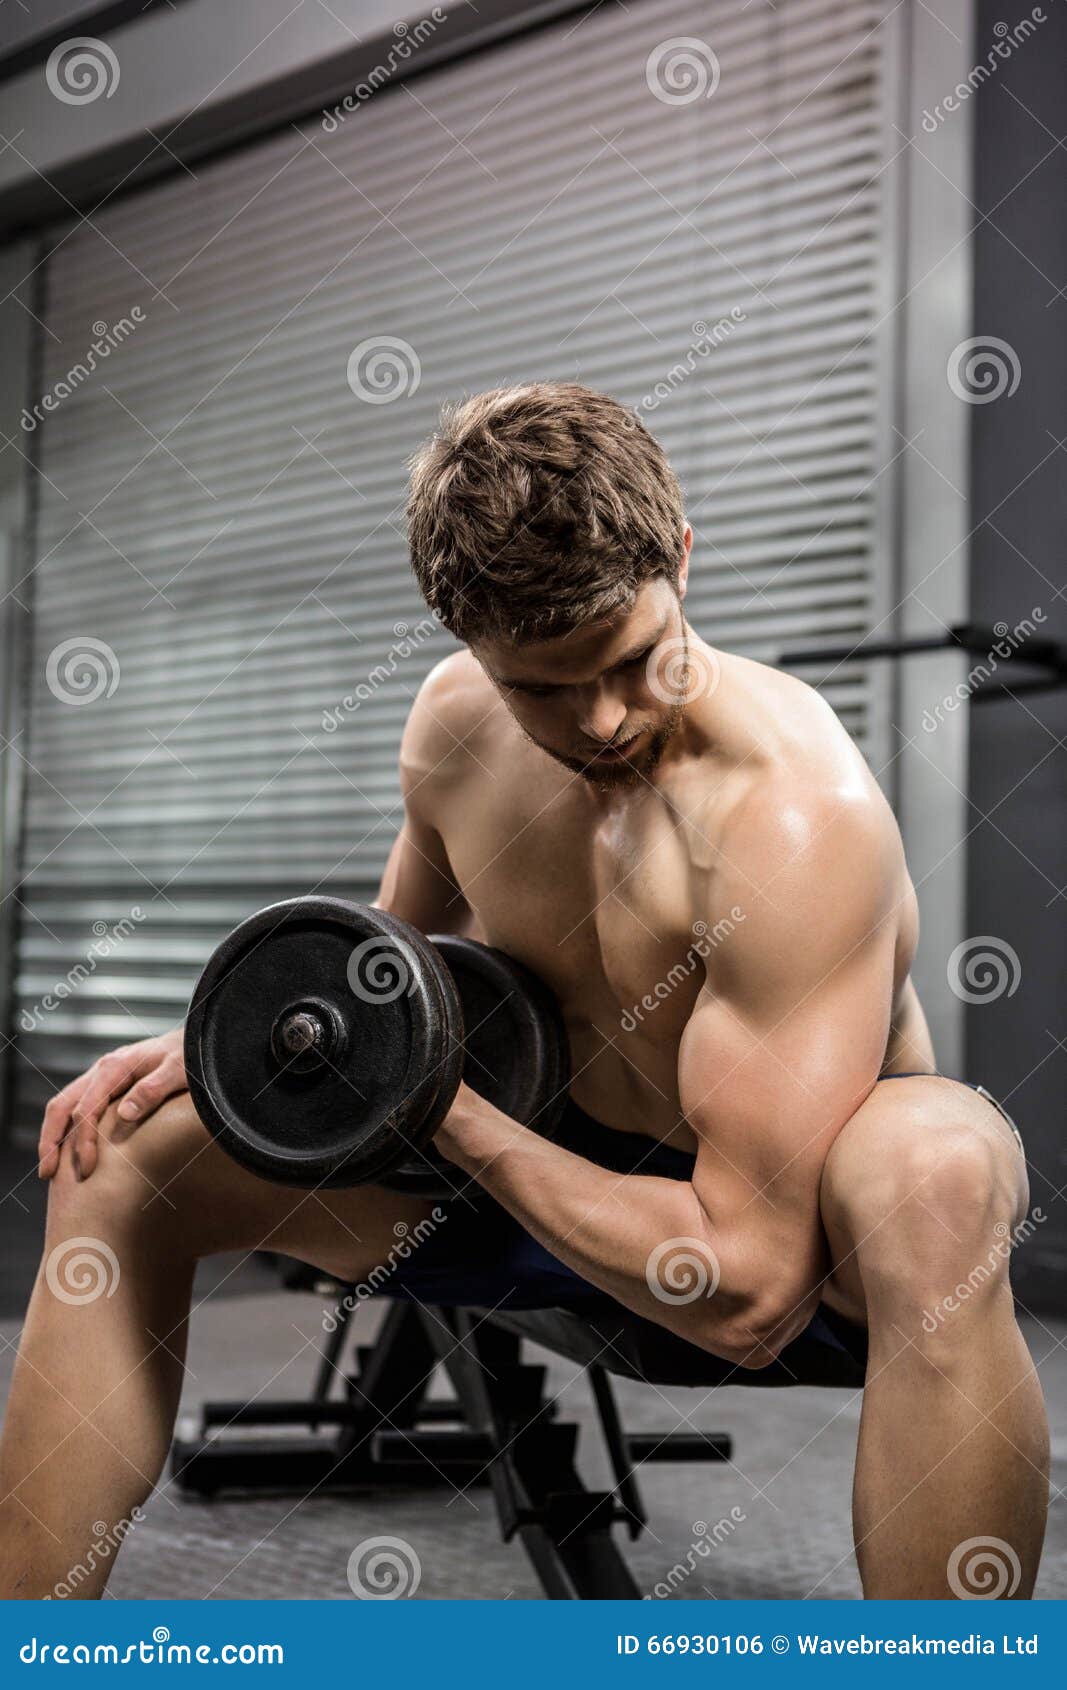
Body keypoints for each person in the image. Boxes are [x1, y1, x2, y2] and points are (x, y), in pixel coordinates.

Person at [0, 382, 1047, 1600]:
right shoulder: (452, 727)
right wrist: (219, 1047)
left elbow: (743, 1295)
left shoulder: (792, 817)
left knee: (936, 1171)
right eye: (538, 688)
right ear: (465, 642)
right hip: (529, 1169)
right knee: (121, 1157)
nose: (598, 719)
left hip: (790, 1236)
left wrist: (447, 1112)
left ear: (682, 559)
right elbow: (386, 971)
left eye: (624, 662)